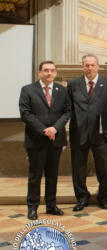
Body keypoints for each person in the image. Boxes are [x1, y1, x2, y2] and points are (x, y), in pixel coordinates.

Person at [19, 61, 72, 220]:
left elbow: (68, 111)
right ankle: (33, 207)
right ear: (40, 72)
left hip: (55, 139)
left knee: (52, 175)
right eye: (46, 70)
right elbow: (25, 113)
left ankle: (51, 205)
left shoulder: (62, 90)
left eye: (52, 70)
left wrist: (55, 128)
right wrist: (44, 130)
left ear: (55, 73)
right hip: (36, 140)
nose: (49, 73)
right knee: (35, 176)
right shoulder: (28, 90)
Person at [67, 55, 107, 211]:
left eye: (92, 65)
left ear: (98, 66)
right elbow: (68, 109)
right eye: (86, 65)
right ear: (83, 67)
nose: (89, 68)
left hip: (101, 134)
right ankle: (82, 197)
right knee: (78, 169)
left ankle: (104, 197)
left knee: (104, 169)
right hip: (78, 134)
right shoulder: (73, 84)